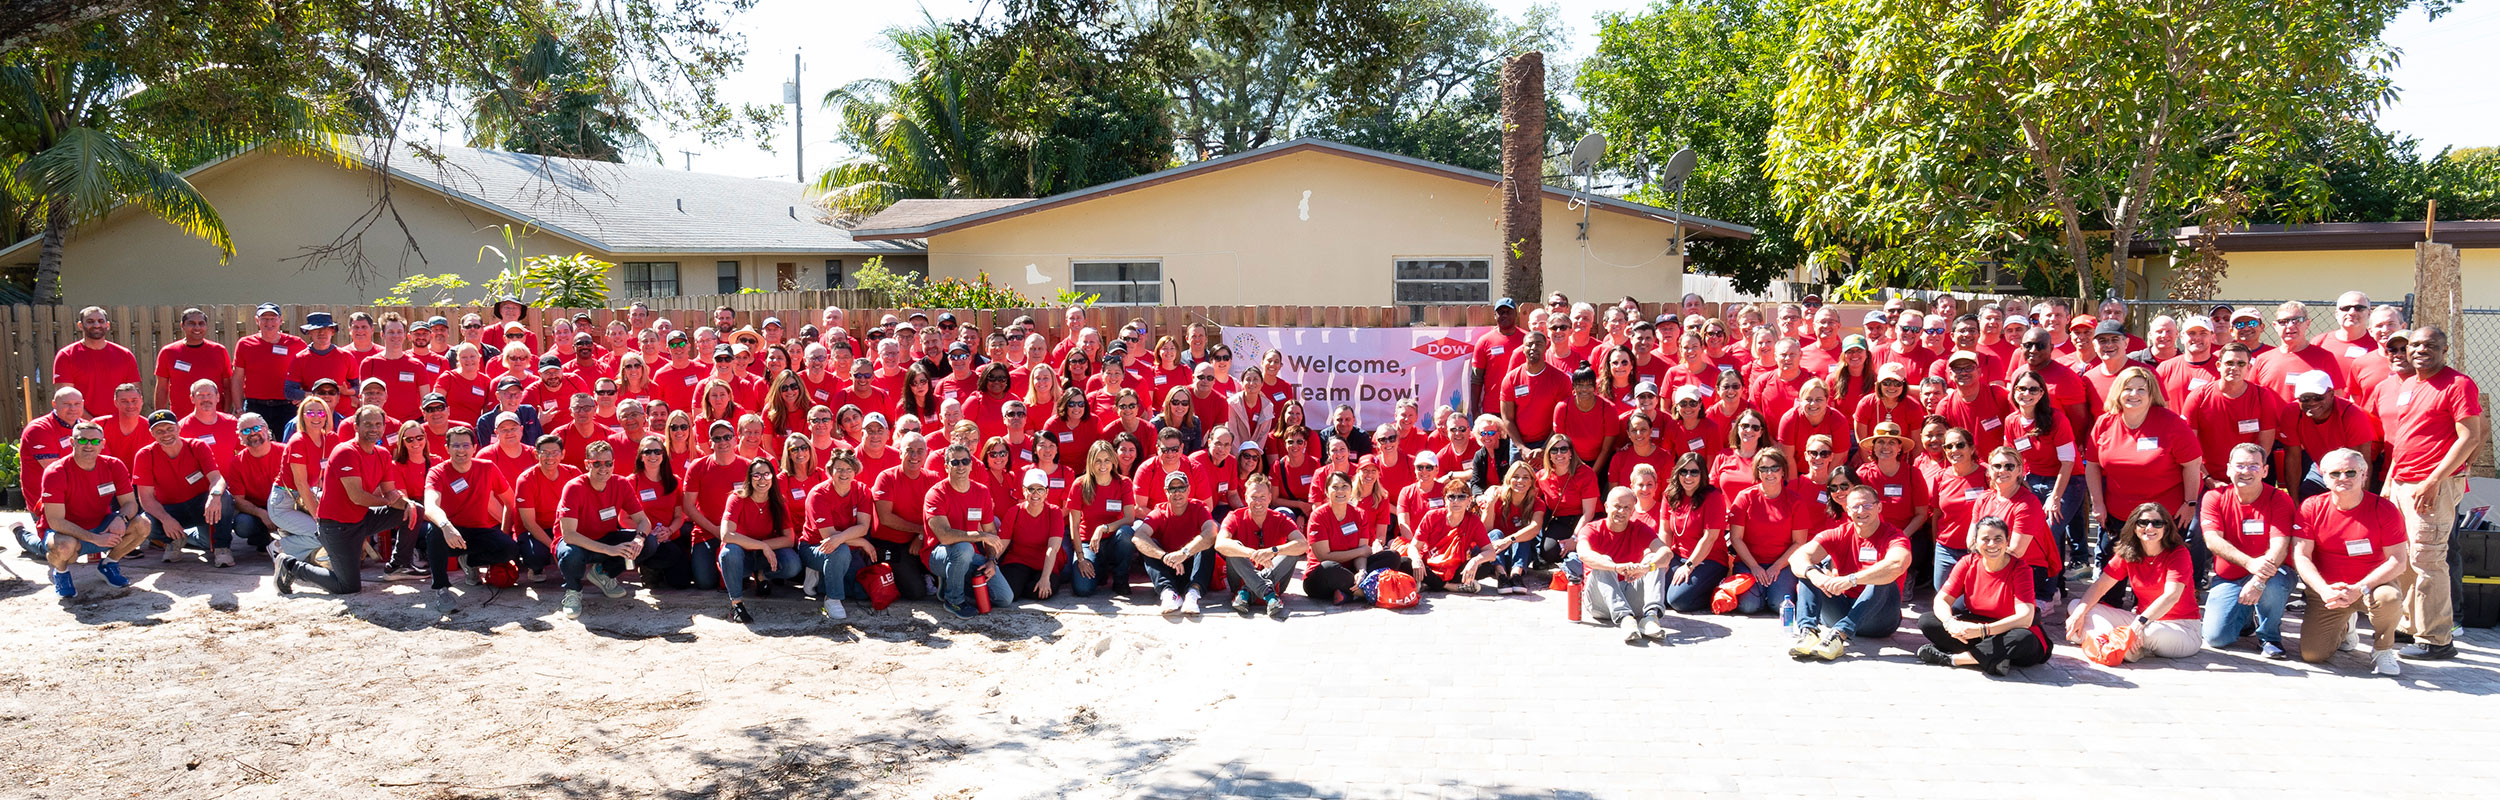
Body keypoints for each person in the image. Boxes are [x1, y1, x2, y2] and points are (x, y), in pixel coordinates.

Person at [2382, 326, 2484, 661]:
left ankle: (2437, 638)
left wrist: (2434, 480)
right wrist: (2391, 480)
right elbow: (2407, 437)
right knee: (2406, 556)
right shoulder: (2411, 384)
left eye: (2430, 345)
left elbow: (2470, 436)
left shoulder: (2458, 384)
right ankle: (2413, 625)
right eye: (2415, 345)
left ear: (2444, 349)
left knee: (2428, 560)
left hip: (2432, 487)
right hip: (2402, 482)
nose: (2420, 350)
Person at [2292, 449, 2412, 674]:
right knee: (2313, 655)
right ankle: (2346, 625)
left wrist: (2359, 588)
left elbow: (2398, 561)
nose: (2343, 478)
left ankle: (2383, 649)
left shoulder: (2384, 509)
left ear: (2364, 474)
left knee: (2389, 598)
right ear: (2324, 476)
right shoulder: (2311, 507)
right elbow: (2301, 556)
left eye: (2350, 472)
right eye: (2335, 473)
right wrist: (2324, 590)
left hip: (2372, 587)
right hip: (2329, 590)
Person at [273, 405, 410, 595]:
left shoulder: (383, 454)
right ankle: (291, 565)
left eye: (378, 424)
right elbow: (358, 497)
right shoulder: (345, 451)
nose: (374, 428)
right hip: (337, 526)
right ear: (356, 426)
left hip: (361, 520)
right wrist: (390, 501)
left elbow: (390, 492)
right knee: (348, 587)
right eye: (368, 424)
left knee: (413, 510)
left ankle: (400, 565)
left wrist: (406, 503)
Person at [2084, 366, 2204, 571]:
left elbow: (2192, 465)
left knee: (2158, 576)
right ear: (2118, 392)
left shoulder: (2171, 423)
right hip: (2118, 515)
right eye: (2128, 389)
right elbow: (2093, 465)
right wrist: (2098, 504)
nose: (2134, 394)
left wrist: (2190, 502)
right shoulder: (2105, 423)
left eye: (2141, 389)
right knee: (2111, 578)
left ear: (2151, 394)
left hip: (2164, 518)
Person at [1785, 484, 1911, 661]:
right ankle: (1808, 633)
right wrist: (1816, 576)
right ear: (1848, 510)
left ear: (1879, 507)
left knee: (1883, 578)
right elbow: (1796, 558)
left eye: (1867, 505)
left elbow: (1898, 563)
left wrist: (1851, 580)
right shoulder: (1839, 533)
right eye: (1855, 506)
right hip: (1842, 610)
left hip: (1880, 619)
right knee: (1808, 572)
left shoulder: (1894, 536)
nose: (1861, 510)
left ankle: (1838, 636)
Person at [1917, 517, 2052, 674]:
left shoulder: (2020, 569)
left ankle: (1954, 659)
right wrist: (1949, 623)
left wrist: (1983, 630)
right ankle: (1992, 658)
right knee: (1928, 621)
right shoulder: (1967, 562)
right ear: (1975, 541)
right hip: (1976, 627)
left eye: (1998, 539)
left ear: (2007, 541)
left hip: (2009, 629)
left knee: (2022, 638)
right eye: (1985, 539)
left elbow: (2025, 617)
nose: (1991, 544)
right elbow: (1942, 600)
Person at [2067, 503, 2201, 662]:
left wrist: (2140, 623)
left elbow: (2171, 596)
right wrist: (2078, 615)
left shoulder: (2178, 553)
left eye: (2157, 523)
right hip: (2142, 621)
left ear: (2166, 528)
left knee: (2150, 632)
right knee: (2076, 606)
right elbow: (2099, 587)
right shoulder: (2128, 552)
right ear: (2134, 526)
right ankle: (2116, 644)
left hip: (2180, 628)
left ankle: (2100, 639)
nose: (2149, 527)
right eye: (2143, 522)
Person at [2199, 443, 2296, 659]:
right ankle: (2245, 617)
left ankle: (2269, 637)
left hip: (2273, 574)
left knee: (2272, 585)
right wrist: (2249, 563)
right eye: (2240, 465)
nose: (2246, 471)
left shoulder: (2279, 499)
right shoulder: (2214, 497)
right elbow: (2213, 540)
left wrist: (2258, 579)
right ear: (2228, 469)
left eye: (2254, 466)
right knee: (2216, 638)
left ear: (2265, 471)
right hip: (2230, 576)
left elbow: (2280, 545)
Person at [37, 420, 145, 597]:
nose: (89, 445)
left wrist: (121, 518)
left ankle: (108, 565)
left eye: (95, 441)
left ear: (102, 444)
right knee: (65, 548)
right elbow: (56, 521)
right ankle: (61, 572)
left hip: (100, 524)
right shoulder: (55, 472)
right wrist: (95, 539)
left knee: (143, 524)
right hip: (66, 531)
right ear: (72, 442)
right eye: (82, 440)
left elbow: (130, 503)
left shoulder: (114, 465)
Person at [418, 425, 517, 617]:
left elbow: (509, 501)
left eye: (465, 445)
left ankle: (470, 560)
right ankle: (442, 589)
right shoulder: (438, 472)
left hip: (478, 531)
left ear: (474, 447)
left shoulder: (487, 468)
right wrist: (446, 526)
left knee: (510, 549)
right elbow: (430, 506)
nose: (461, 450)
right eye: (455, 445)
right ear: (447, 448)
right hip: (449, 532)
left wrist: (504, 533)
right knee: (434, 530)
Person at [553, 441, 649, 620]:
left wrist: (639, 539)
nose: (603, 468)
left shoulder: (621, 483)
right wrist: (610, 550)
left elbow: (643, 521)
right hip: (577, 542)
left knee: (649, 543)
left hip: (605, 537)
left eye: (608, 463)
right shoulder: (574, 487)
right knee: (570, 555)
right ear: (587, 464)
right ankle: (573, 591)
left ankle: (603, 574)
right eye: (596, 463)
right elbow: (569, 535)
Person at [1726, 448, 1819, 619]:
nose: (1770, 473)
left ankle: (1769, 592)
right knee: (1748, 606)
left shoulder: (1795, 501)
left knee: (1780, 605)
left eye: (1775, 468)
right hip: (1749, 563)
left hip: (1782, 564)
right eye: (1764, 468)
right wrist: (1754, 566)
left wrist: (1777, 566)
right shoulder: (1745, 497)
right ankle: (1761, 593)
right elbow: (1736, 538)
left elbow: (1799, 542)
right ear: (1757, 472)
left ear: (1783, 470)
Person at [924, 441, 1011, 618]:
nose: (960, 466)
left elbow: (991, 532)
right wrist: (981, 535)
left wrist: (991, 560)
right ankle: (954, 600)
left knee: (1004, 598)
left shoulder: (982, 492)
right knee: (963, 548)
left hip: (968, 555)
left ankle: (951, 584)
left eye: (965, 461)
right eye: (954, 462)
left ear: (971, 464)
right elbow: (945, 537)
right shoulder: (936, 494)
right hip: (937, 555)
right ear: (946, 467)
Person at [1573, 486, 1670, 643]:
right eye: (1617, 506)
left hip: (1631, 595)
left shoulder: (1639, 528)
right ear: (1606, 506)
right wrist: (1615, 567)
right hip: (1599, 603)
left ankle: (1651, 617)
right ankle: (1625, 619)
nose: (1621, 511)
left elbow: (1666, 553)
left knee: (1654, 558)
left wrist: (1646, 567)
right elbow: (1584, 553)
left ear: (1633, 510)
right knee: (1603, 561)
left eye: (1627, 508)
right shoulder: (1591, 529)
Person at [132, 409, 226, 564]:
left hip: (201, 507)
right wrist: (166, 519)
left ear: (178, 428)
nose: (166, 434)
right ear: (152, 433)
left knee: (224, 498)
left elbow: (217, 478)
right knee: (144, 522)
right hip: (170, 508)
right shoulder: (144, 455)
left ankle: (220, 546)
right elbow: (145, 498)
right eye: (159, 431)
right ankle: (172, 540)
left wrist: (214, 496)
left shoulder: (197, 446)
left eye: (170, 429)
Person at [720, 454, 802, 624]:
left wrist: (763, 547)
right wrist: (762, 546)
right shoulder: (737, 498)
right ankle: (737, 604)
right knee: (730, 551)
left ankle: (762, 575)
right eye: (757, 475)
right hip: (741, 557)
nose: (762, 479)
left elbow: (789, 539)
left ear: (773, 477)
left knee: (793, 564)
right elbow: (726, 535)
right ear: (750, 478)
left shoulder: (779, 501)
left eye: (767, 474)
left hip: (765, 557)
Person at [1215, 475, 1306, 619]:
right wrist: (1251, 553)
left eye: (1262, 497)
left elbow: (1303, 544)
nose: (1258, 501)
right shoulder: (1235, 516)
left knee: (1291, 550)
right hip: (1240, 579)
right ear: (1245, 497)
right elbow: (1220, 543)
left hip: (1273, 577)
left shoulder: (1280, 519)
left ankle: (1247, 592)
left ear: (1270, 498)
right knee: (1233, 546)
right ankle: (1268, 594)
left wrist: (1273, 551)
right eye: (1254, 497)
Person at [1303, 471, 1400, 605]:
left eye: (1344, 486)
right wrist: (1360, 552)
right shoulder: (1318, 516)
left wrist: (1362, 571)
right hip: (1322, 577)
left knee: (1392, 556)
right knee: (1329, 567)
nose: (1340, 491)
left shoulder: (1360, 514)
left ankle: (1350, 591)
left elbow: (1363, 552)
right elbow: (1324, 556)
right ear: (1326, 491)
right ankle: (1365, 591)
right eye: (1335, 487)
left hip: (1351, 570)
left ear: (1351, 490)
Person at [802, 447, 876, 619]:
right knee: (839, 551)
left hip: (848, 546)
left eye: (849, 469)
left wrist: (844, 537)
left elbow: (863, 527)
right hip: (816, 546)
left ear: (855, 471)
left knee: (861, 592)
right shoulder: (818, 494)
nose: (844, 473)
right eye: (839, 469)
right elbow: (829, 537)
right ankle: (832, 599)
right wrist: (862, 542)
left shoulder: (863, 490)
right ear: (830, 471)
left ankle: (820, 579)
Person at [1133, 469, 1219, 615]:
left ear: (1188, 489)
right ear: (1166, 492)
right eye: (1172, 488)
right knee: (1148, 544)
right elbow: (1138, 537)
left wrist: (1184, 553)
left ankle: (1193, 594)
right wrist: (1164, 556)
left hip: (1192, 567)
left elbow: (1211, 531)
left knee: (1207, 544)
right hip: (1169, 568)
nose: (1177, 492)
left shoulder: (1199, 507)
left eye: (1181, 487)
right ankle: (1168, 593)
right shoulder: (1159, 511)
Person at [1404, 474, 1498, 593]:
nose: (1456, 501)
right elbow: (1413, 547)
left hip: (1455, 567)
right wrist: (1416, 559)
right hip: (1430, 566)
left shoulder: (1473, 521)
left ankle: (1430, 584)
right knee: (1404, 562)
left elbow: (1491, 553)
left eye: (1461, 497)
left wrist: (1475, 561)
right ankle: (1451, 587)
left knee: (1484, 566)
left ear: (1469, 500)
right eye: (1451, 497)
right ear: (1445, 500)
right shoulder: (1432, 516)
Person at [997, 467, 1068, 602]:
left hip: (1044, 563)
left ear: (1046, 492)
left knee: (1043, 592)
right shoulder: (1014, 512)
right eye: (1031, 489)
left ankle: (1024, 583)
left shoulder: (1054, 512)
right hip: (1018, 560)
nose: (1035, 494)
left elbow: (1053, 548)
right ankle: (1020, 583)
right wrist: (991, 561)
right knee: (1009, 592)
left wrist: (1045, 578)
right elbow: (1003, 543)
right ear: (1024, 491)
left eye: (1040, 489)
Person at [52, 306, 141, 404]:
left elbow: (134, 397)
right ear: (80, 325)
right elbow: (66, 399)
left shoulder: (125, 355)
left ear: (107, 325)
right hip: (79, 419)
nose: (96, 325)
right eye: (90, 321)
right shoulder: (66, 356)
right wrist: (92, 420)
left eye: (101, 321)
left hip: (118, 418)